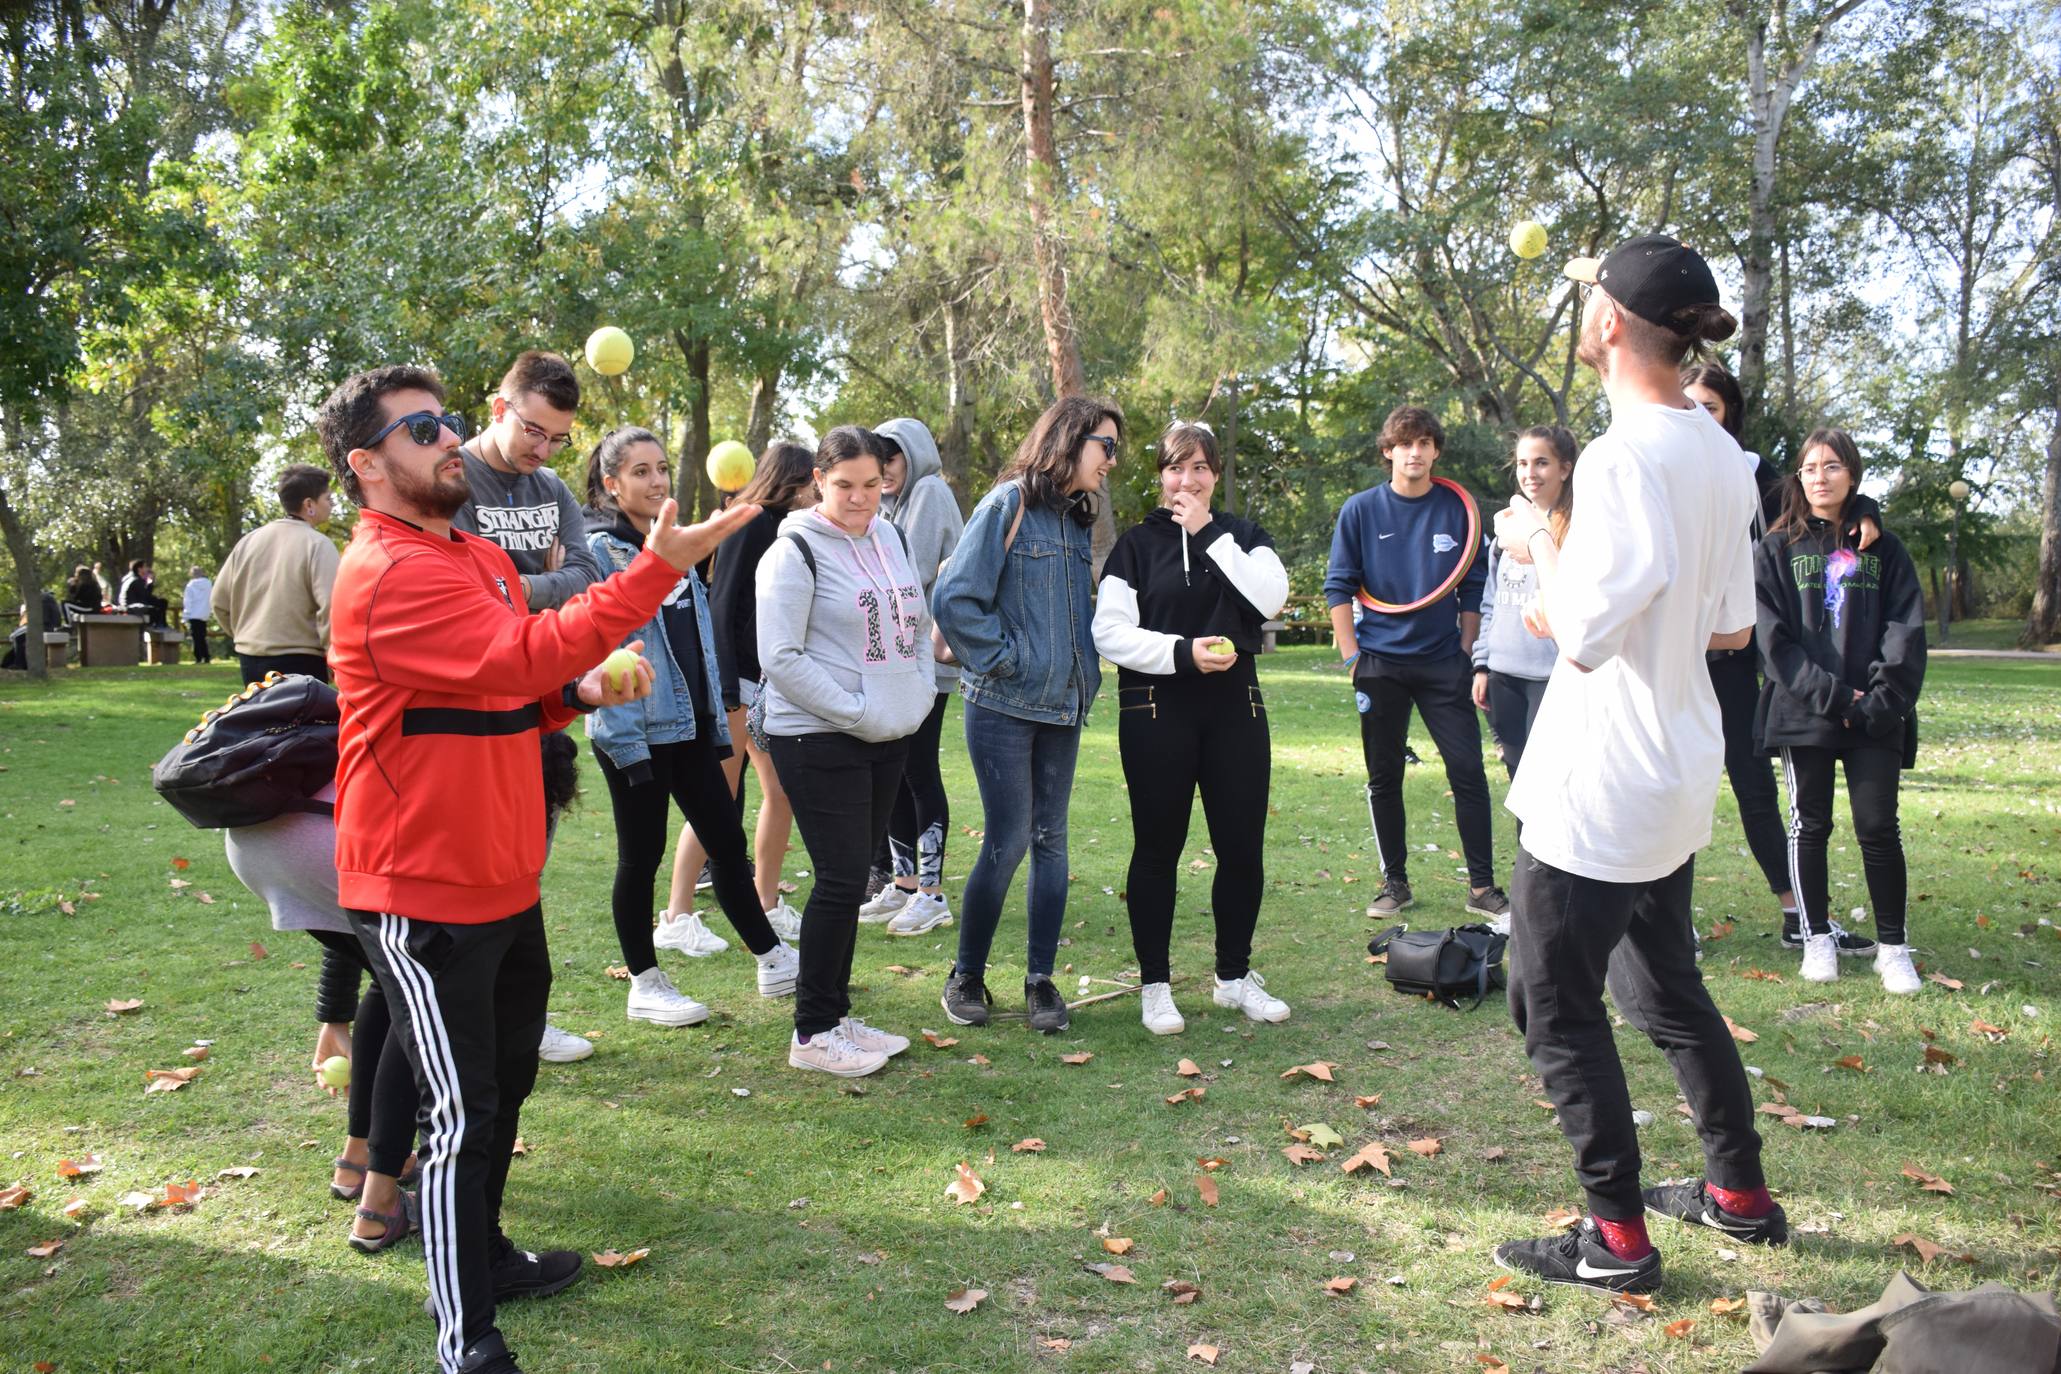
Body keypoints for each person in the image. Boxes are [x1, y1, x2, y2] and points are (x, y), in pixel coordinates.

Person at [321, 363, 755, 1374]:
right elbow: (515, 658)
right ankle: (462, 1333)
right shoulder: (389, 569)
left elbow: (497, 686)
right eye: (420, 428)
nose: (444, 440)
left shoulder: (465, 552)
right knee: (462, 1109)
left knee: (504, 1087)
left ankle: (487, 1255)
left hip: (503, 880)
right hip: (420, 891)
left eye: (446, 422)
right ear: (366, 464)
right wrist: (657, 570)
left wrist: (576, 700)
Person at [1490, 235, 1788, 1295]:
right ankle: (1737, 1195)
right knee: (1665, 991)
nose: (1580, 318)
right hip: (1674, 771)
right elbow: (1725, 626)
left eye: (1586, 304)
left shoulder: (1622, 457)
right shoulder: (1725, 455)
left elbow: (1580, 633)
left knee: (1551, 1003)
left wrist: (1540, 551)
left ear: (1613, 324)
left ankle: (1615, 1238)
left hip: (1602, 785)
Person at [581, 427, 800, 1025]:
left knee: (726, 841)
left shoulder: (675, 544)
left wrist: (717, 705)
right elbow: (595, 642)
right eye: (640, 472)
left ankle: (773, 958)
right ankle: (645, 982)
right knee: (640, 855)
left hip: (693, 723)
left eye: (661, 470)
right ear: (611, 484)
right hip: (634, 732)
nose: (655, 481)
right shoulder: (601, 553)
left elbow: (696, 635)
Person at [1093, 420, 1292, 1034]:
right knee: (1157, 849)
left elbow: (1269, 600)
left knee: (1241, 849)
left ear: (1214, 476)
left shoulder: (1243, 536)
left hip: (1237, 710)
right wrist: (1184, 652)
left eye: (1201, 467)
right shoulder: (1134, 546)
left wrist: (1207, 532)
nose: (1189, 479)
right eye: (1177, 467)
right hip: (1157, 712)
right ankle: (1156, 985)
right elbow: (1112, 633)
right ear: (1160, 475)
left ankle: (1233, 978)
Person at [1681, 360, 1882, 959]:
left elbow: (1819, 510)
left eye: (1710, 408)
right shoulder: (1657, 469)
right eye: (1688, 405)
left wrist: (1868, 505)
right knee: (1676, 786)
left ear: (1730, 414)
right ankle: (1669, 922)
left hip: (1736, 654)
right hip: (1669, 656)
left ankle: (1799, 914)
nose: (1699, 417)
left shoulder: (1754, 473)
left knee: (1754, 789)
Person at [933, 396, 1119, 1034]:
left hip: (1063, 709)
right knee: (1008, 840)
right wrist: (1006, 660)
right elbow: (955, 599)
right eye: (1106, 446)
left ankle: (1041, 982)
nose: (1112, 462)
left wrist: (1079, 673)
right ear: (1071, 441)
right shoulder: (1006, 504)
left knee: (1052, 844)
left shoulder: (1073, 521)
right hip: (1003, 705)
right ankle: (965, 975)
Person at [756, 425, 931, 1077]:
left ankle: (834, 1013)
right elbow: (780, 655)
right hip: (815, 735)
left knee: (856, 873)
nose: (860, 500)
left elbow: (913, 620)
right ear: (817, 484)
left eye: (871, 485)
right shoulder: (792, 551)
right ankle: (811, 1033)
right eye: (843, 487)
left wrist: (910, 695)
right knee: (837, 878)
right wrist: (856, 710)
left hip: (887, 732)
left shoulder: (889, 535)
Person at [450, 350, 608, 1067]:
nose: (543, 450)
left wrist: (511, 583)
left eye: (558, 439)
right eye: (533, 430)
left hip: (542, 695)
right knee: (465, 877)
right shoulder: (453, 479)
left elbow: (584, 575)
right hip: (468, 706)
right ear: (497, 408)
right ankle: (464, 1018)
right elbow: (458, 589)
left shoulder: (550, 489)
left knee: (527, 861)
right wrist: (534, 580)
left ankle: (519, 1017)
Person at [1755, 429, 1926, 992]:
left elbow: (1905, 632)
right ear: (1798, 478)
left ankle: (1893, 948)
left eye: (1832, 466)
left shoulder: (1886, 549)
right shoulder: (1775, 550)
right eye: (1809, 468)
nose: (1820, 476)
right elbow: (1774, 641)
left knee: (1879, 827)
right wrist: (1832, 696)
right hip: (1805, 711)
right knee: (1810, 826)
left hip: (1877, 714)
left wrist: (1878, 701)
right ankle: (1817, 939)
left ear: (1851, 473)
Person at [223, 777, 422, 1254]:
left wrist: (333, 1017)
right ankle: (379, 1206)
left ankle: (355, 1162)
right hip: (331, 840)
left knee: (392, 977)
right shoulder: (519, 747)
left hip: (256, 843)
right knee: (418, 994)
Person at [1324, 406, 1506, 924]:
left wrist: (1467, 649)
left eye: (1425, 443)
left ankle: (1481, 886)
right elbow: (1338, 584)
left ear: (1435, 452)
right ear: (1389, 451)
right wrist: (1352, 656)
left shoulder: (1457, 510)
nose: (1416, 452)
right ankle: (1395, 883)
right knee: (1384, 776)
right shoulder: (1360, 510)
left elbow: (1473, 586)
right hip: (1378, 663)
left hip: (1442, 662)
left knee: (1468, 770)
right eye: (1406, 444)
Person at [660, 442, 815, 952]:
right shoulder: (749, 523)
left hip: (769, 684)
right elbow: (721, 606)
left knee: (782, 793)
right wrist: (728, 690)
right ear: (790, 480)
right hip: (738, 686)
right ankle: (677, 914)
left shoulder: (783, 527)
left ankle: (766, 902)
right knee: (717, 802)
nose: (816, 490)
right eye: (810, 481)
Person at [857, 417, 965, 937]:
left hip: (927, 659)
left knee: (918, 769)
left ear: (913, 455)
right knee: (898, 770)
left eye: (892, 459)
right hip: (894, 659)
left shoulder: (929, 492)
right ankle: (902, 884)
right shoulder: (890, 504)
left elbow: (907, 573)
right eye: (880, 463)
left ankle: (932, 892)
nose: (886, 471)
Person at [1471, 427, 1577, 785]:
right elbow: (1491, 601)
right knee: (1518, 785)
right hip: (1503, 675)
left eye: (1541, 463)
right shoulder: (1507, 529)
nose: (1530, 473)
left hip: (1552, 676)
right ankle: (1523, 845)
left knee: (1549, 785)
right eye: (1522, 463)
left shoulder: (1579, 529)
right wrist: (1482, 664)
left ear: (1564, 468)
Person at [213, 463, 342, 683]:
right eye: (328, 498)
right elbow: (331, 607)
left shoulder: (249, 541)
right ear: (309, 504)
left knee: (259, 718)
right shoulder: (318, 545)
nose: (331, 504)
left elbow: (219, 602)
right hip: (301, 660)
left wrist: (247, 635)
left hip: (251, 658)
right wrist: (334, 657)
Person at [5, 590, 62, 670]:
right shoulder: (49, 599)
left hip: (42, 627)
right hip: (49, 627)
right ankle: (20, 663)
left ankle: (19, 664)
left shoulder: (41, 600)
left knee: (17, 637)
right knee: (20, 638)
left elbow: (36, 620)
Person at [117, 559, 168, 627]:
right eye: (145, 567)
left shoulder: (128, 579)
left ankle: (161, 624)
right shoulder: (136, 581)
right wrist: (150, 583)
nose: (147, 569)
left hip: (126, 606)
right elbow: (146, 597)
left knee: (160, 602)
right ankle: (160, 625)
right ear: (139, 569)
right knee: (161, 605)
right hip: (132, 608)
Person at [182, 566, 214, 664]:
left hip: (193, 614)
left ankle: (199, 657)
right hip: (204, 613)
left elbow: (188, 601)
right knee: (202, 636)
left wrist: (185, 615)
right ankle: (206, 656)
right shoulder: (208, 584)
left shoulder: (191, 585)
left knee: (196, 637)